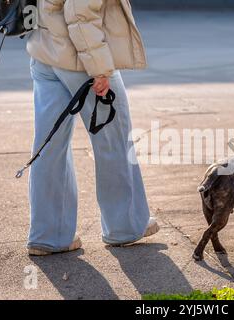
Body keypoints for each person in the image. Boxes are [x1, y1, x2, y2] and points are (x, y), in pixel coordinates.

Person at [26, 0, 158, 255]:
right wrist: (100, 69)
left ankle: (48, 235)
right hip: (80, 61)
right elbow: (79, 14)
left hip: (43, 54)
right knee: (114, 141)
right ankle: (124, 227)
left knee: (49, 146)